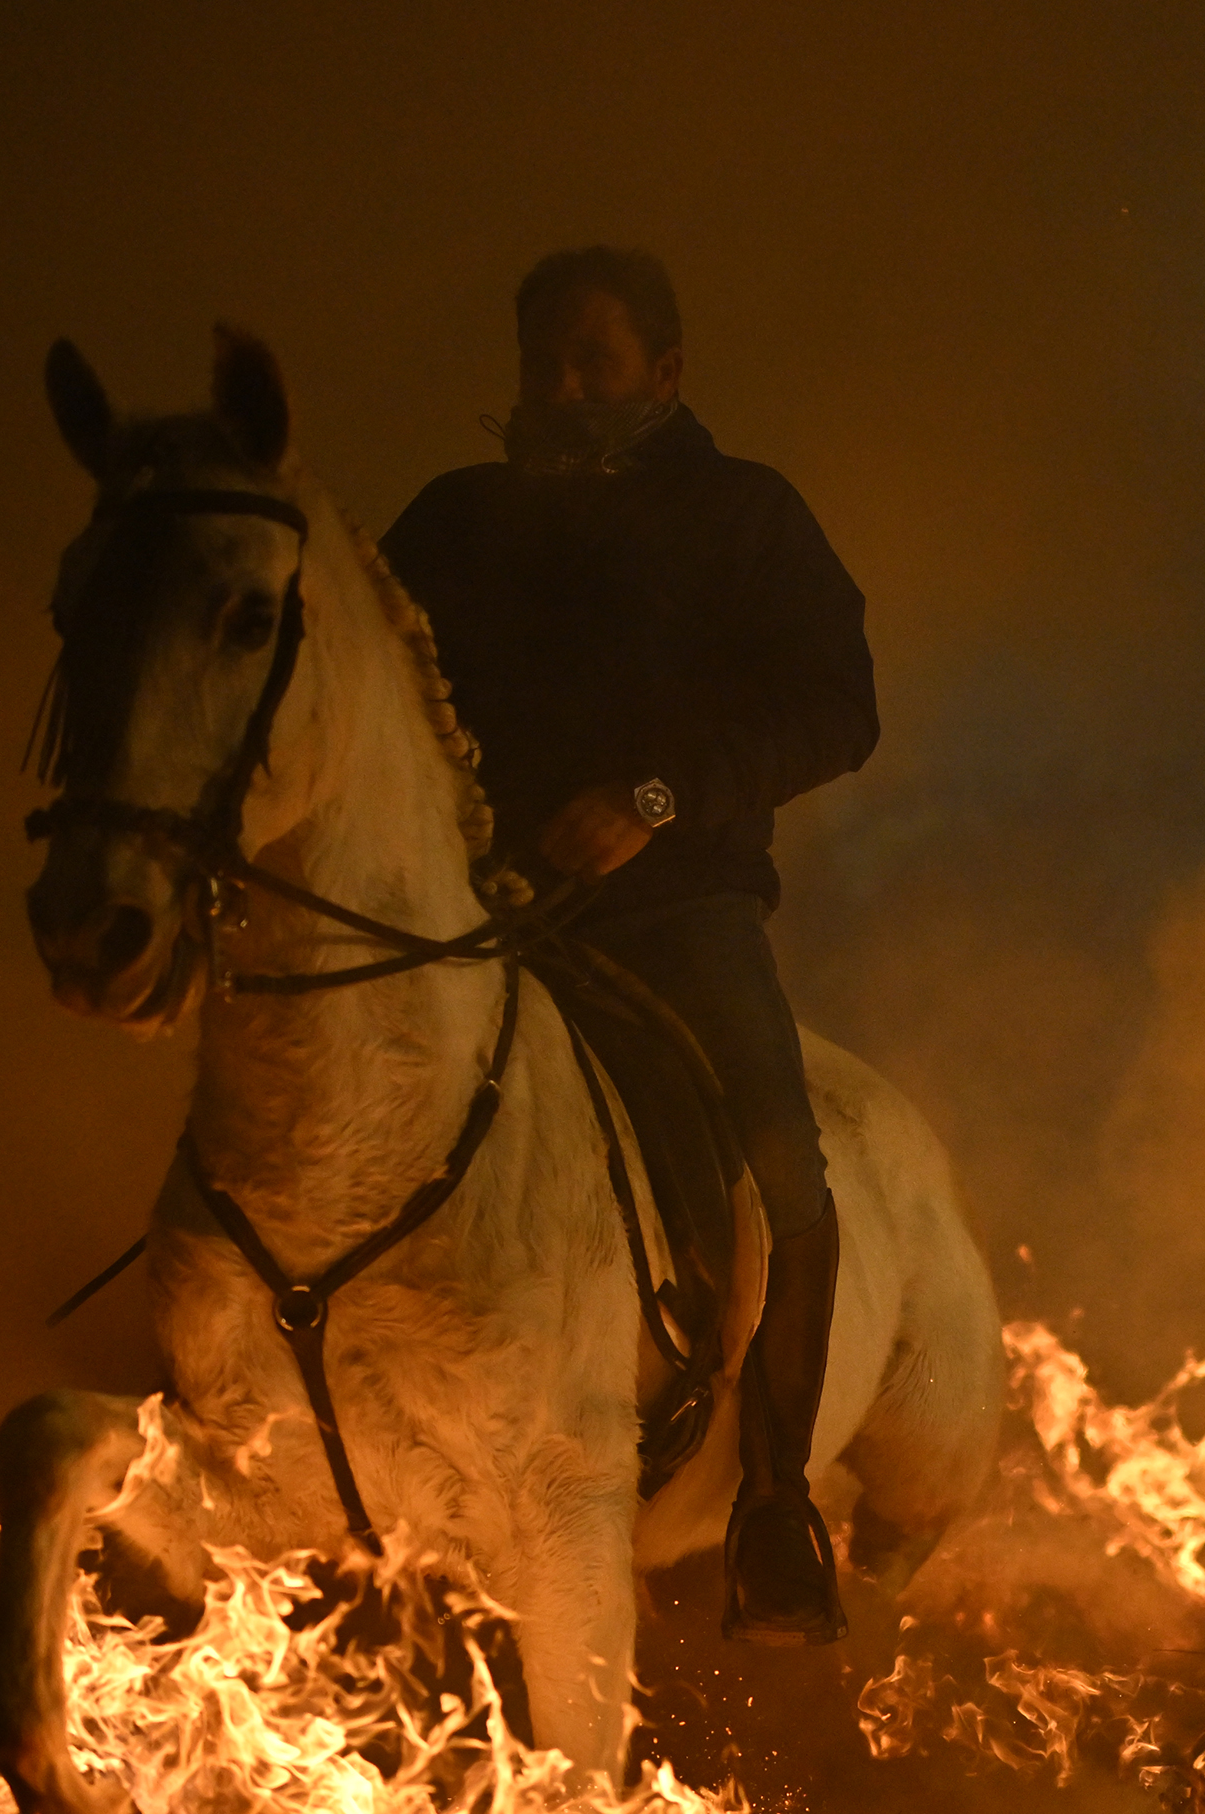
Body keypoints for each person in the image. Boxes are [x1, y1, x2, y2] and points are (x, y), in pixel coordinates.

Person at [382, 246, 875, 1645]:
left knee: (786, 1177)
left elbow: (837, 707)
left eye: (594, 363)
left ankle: (773, 1508)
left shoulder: (744, 517)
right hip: (471, 909)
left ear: (665, 375)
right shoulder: (453, 523)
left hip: (678, 911)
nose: (561, 389)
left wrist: (661, 800)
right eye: (543, 362)